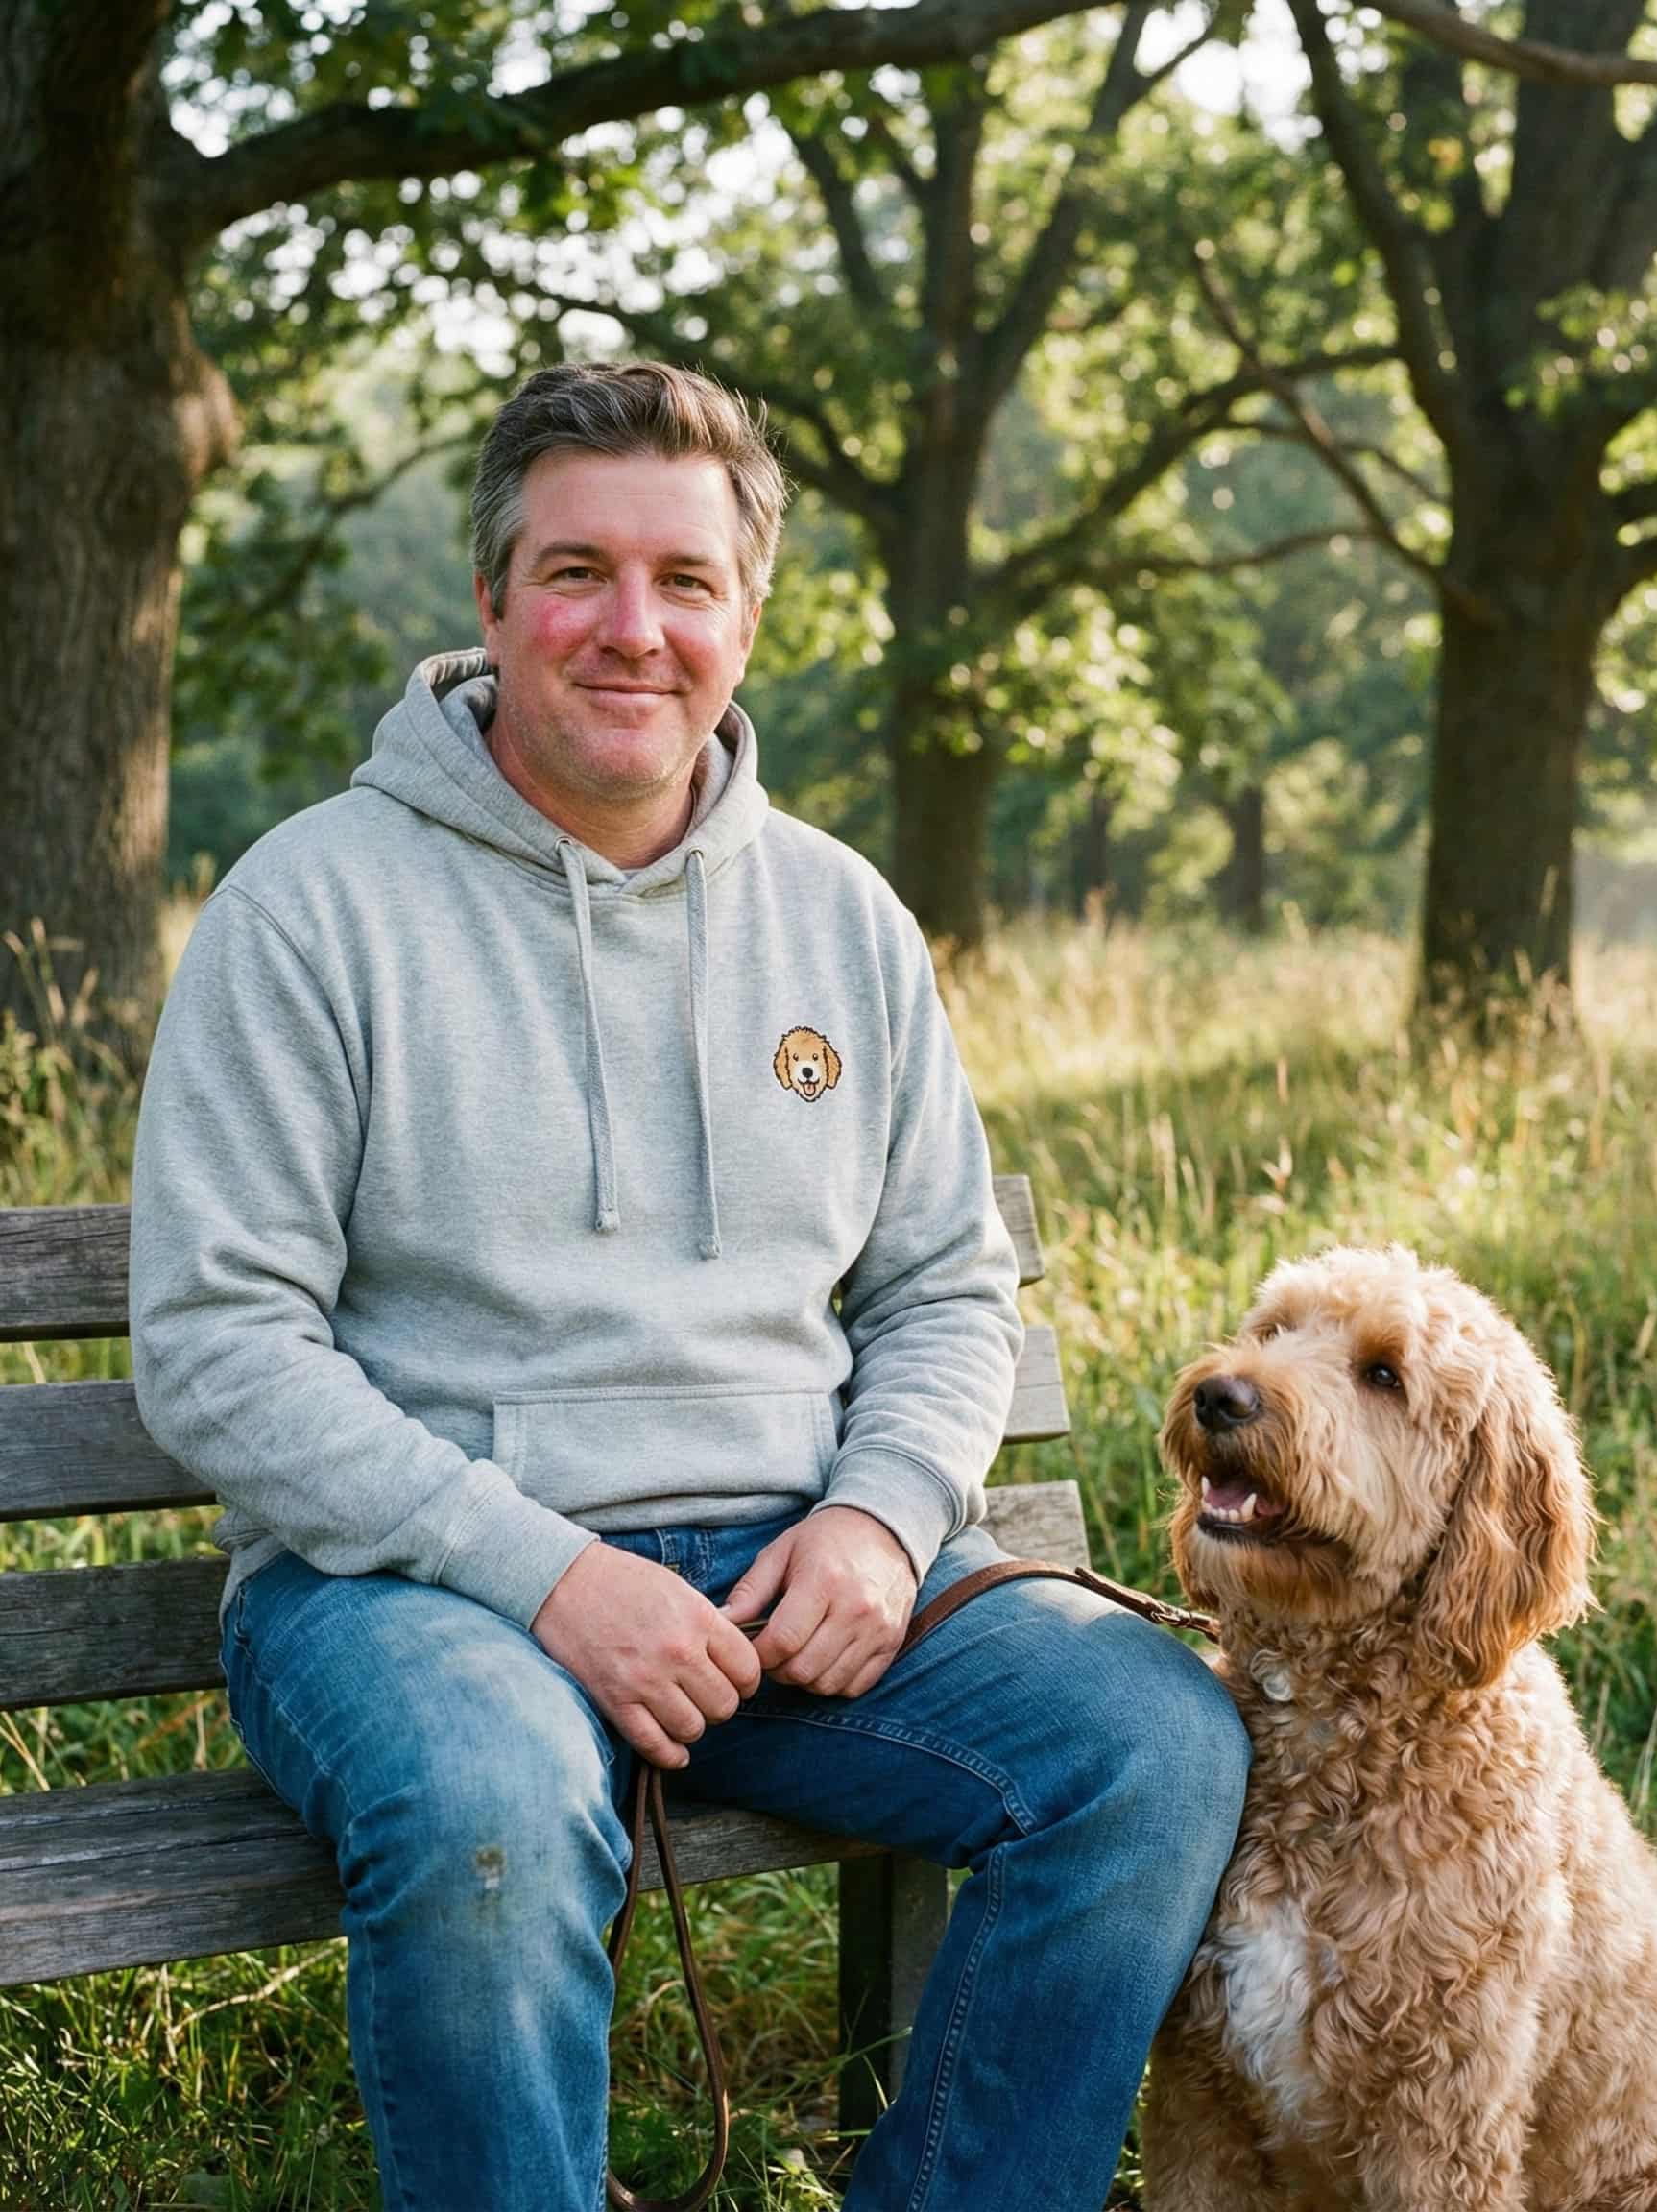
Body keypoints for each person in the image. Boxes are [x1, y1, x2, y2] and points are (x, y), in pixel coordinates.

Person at [130, 360, 1249, 2212]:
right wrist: (550, 1576)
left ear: (749, 617)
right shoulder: (307, 910)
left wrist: (885, 1523)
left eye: (685, 580)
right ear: (491, 603)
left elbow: (946, 1290)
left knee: (1147, 1738)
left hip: (791, 1570)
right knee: (490, 1809)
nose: (631, 628)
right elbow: (220, 1349)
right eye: (577, 572)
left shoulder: (841, 920)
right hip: (415, 1589)